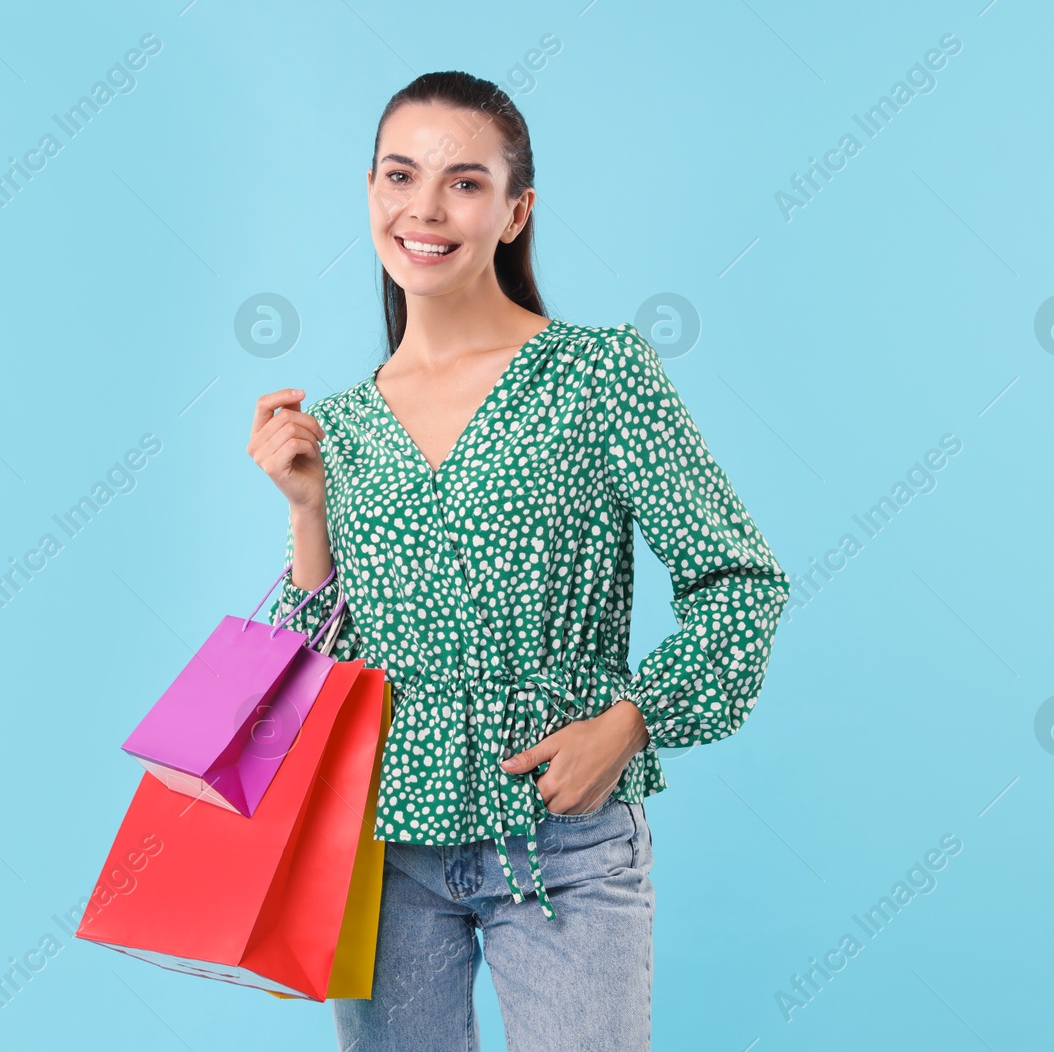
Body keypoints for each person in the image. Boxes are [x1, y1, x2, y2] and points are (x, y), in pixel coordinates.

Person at [246, 70, 790, 1051]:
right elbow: (306, 683)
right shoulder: (342, 425)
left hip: (566, 842)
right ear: (369, 191)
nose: (424, 207)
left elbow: (738, 579)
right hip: (384, 854)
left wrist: (629, 722)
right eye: (400, 175)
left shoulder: (601, 374)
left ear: (514, 210)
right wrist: (305, 515)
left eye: (463, 182)